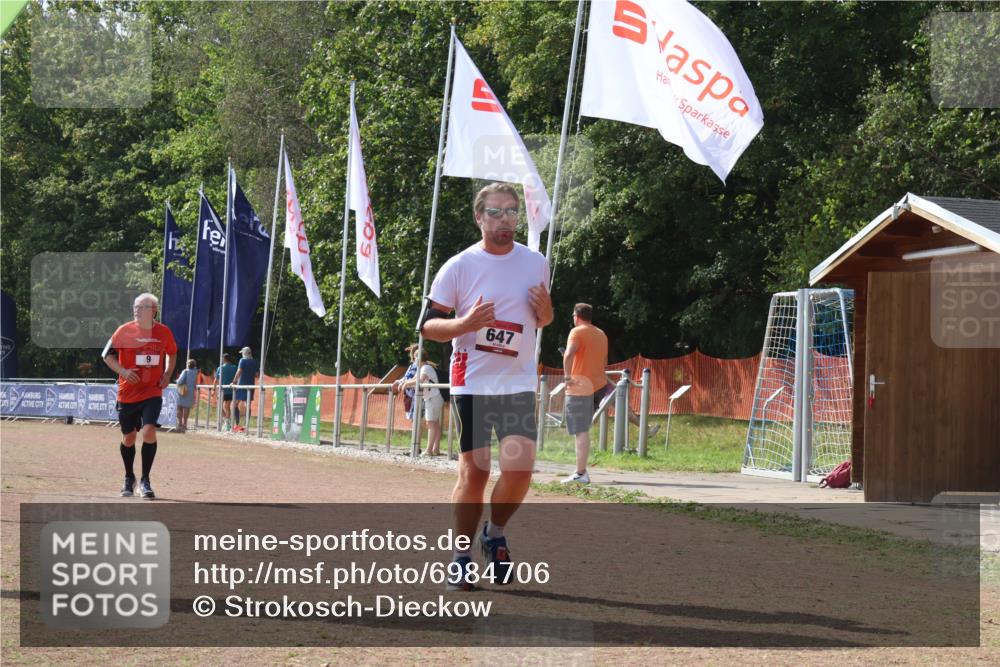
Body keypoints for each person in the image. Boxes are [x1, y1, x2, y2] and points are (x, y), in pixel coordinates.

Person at [421, 182, 553, 591]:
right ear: (479, 218)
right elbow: (427, 325)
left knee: (519, 471)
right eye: (495, 212)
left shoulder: (536, 263)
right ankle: (460, 557)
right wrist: (464, 324)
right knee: (475, 470)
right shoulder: (459, 265)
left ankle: (494, 534)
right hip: (473, 379)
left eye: (511, 212)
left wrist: (548, 315)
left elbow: (540, 319)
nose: (504, 220)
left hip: (517, 382)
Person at [561, 304, 659, 484]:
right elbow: (603, 360)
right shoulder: (601, 334)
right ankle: (642, 426)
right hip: (600, 383)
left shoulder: (576, 332)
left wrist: (567, 378)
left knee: (580, 431)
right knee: (614, 406)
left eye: (573, 315)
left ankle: (580, 473)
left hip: (580, 386)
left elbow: (568, 355)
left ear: (576, 316)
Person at [102, 293, 177, 499]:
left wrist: (167, 373)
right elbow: (106, 355)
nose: (136, 310)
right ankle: (129, 477)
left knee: (148, 430)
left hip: (152, 390)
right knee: (129, 437)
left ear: (153, 310)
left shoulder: (163, 332)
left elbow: (172, 352)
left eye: (142, 307)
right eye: (135, 306)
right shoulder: (123, 331)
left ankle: (145, 480)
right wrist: (124, 372)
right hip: (128, 393)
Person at [392, 345, 444, 456]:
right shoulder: (422, 368)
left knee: (431, 423)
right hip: (431, 398)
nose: (414, 360)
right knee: (433, 423)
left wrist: (406, 384)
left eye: (415, 358)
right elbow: (413, 379)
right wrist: (404, 383)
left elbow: (419, 380)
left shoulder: (425, 368)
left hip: (433, 397)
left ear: (418, 358)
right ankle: (433, 450)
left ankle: (429, 450)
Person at [231, 346, 258, 433]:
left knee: (234, 404)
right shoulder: (254, 362)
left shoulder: (242, 361)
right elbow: (257, 374)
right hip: (251, 386)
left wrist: (234, 381)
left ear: (244, 353)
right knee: (247, 406)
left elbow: (239, 371)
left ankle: (237, 424)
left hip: (241, 385)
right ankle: (246, 426)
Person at [214, 353, 238, 430]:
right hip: (231, 390)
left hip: (222, 390)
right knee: (227, 407)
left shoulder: (220, 368)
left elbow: (216, 380)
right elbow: (237, 378)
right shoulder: (234, 367)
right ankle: (227, 422)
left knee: (220, 406)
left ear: (224, 359)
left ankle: (226, 421)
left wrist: (213, 390)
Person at [174, 359, 198, 433]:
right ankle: (185, 424)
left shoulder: (185, 371)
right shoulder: (195, 372)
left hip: (182, 391)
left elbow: (180, 381)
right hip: (190, 392)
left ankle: (180, 423)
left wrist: (176, 381)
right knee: (187, 408)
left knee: (179, 407)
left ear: (188, 364)